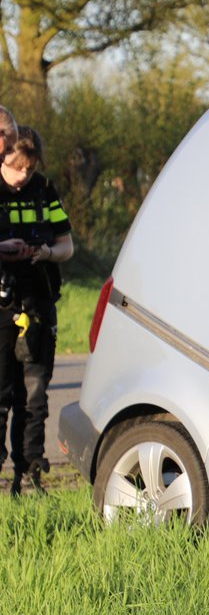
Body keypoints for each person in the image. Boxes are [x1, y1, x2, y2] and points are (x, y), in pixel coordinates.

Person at [0, 125, 73, 495]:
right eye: (16, 167)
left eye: (29, 168)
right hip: (2, 307)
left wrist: (46, 253)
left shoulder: (44, 190)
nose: (22, 175)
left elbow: (67, 247)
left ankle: (28, 475)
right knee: (1, 395)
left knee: (34, 398)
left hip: (38, 305)